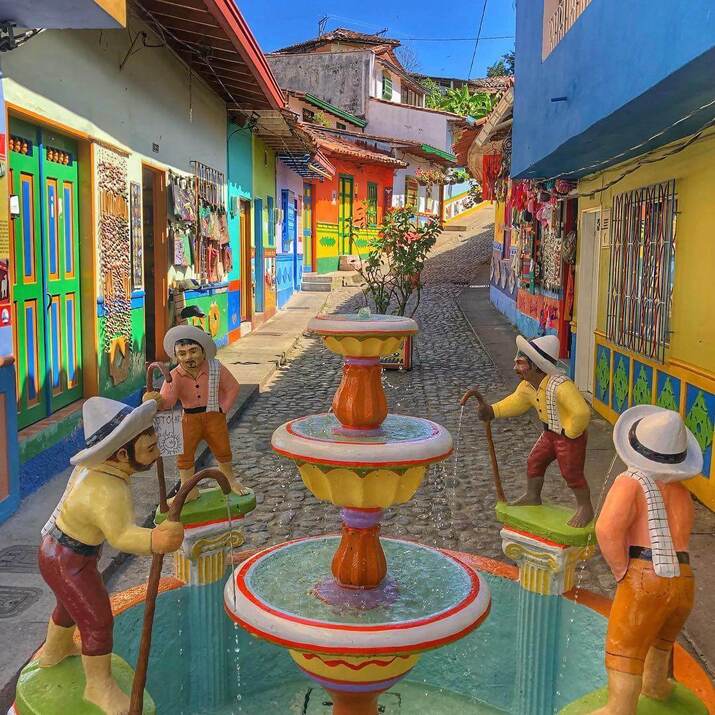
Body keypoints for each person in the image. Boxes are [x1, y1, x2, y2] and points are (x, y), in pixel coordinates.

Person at [37, 397, 184, 715]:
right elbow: (122, 536)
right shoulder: (108, 491)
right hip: (67, 559)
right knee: (98, 620)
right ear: (121, 454)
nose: (157, 453)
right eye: (150, 448)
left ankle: (54, 650)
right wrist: (156, 539)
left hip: (58, 550)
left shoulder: (96, 470)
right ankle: (98, 687)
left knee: (70, 605)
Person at [593, 405, 701, 715]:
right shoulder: (681, 492)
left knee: (625, 646)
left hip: (646, 573)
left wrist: (621, 570)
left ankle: (620, 707)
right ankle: (656, 684)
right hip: (683, 578)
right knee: (661, 638)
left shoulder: (630, 482)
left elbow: (607, 529)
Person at [460, 334, 594, 527]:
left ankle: (585, 507)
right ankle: (533, 495)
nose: (515, 368)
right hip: (549, 434)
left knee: (571, 472)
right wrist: (492, 411)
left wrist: (570, 432)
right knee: (535, 461)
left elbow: (581, 412)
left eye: (520, 363)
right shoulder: (527, 387)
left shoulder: (561, 386)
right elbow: (516, 402)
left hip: (568, 437)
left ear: (536, 366)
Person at [143, 324, 248, 502]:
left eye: (193, 351)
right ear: (176, 356)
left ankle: (230, 480)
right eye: (182, 354)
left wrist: (223, 408)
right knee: (185, 454)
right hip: (189, 419)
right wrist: (155, 400)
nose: (188, 357)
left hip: (214, 416)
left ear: (203, 351)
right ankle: (188, 489)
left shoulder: (216, 368)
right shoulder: (174, 376)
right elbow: (168, 401)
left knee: (222, 449)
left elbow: (233, 387)